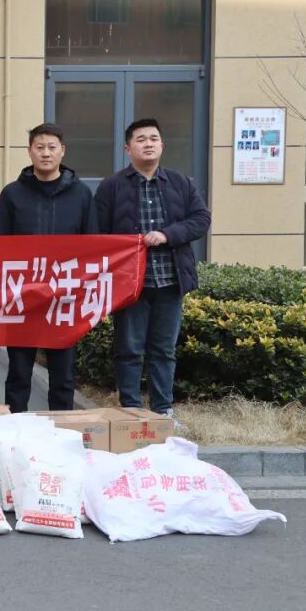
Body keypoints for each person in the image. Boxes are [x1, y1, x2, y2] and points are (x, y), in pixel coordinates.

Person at [95, 118, 211, 419]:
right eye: (141, 139)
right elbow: (99, 234)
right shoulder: (111, 187)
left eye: (153, 139)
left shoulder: (181, 183)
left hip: (170, 281)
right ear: (127, 148)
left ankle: (163, 412)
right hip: (130, 285)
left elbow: (201, 220)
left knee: (163, 351)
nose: (148, 144)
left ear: (162, 145)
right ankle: (131, 411)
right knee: (129, 350)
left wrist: (167, 235)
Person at [0, 122, 98, 414]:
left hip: (64, 298)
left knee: (63, 376)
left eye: (52, 147)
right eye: (39, 147)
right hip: (22, 298)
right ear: (30, 151)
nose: (45, 153)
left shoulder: (81, 195)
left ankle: (60, 429)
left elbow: (92, 245)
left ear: (62, 151)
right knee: (18, 373)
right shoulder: (12, 194)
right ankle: (15, 428)